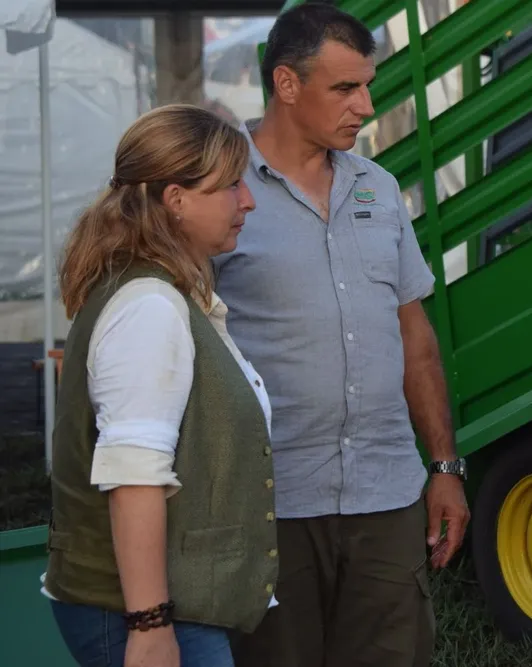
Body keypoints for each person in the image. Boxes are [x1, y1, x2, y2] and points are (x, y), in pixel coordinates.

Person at [212, 5, 470, 667]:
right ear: (287, 85)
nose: (365, 104)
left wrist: (443, 467)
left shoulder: (378, 189)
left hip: (385, 494)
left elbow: (414, 337)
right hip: (269, 502)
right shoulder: (218, 190)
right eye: (345, 88)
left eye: (367, 85)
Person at [44, 103, 275, 667]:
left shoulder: (157, 291)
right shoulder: (149, 305)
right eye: (230, 186)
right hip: (137, 611)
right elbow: (134, 477)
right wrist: (149, 625)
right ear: (176, 201)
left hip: (162, 606)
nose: (247, 201)